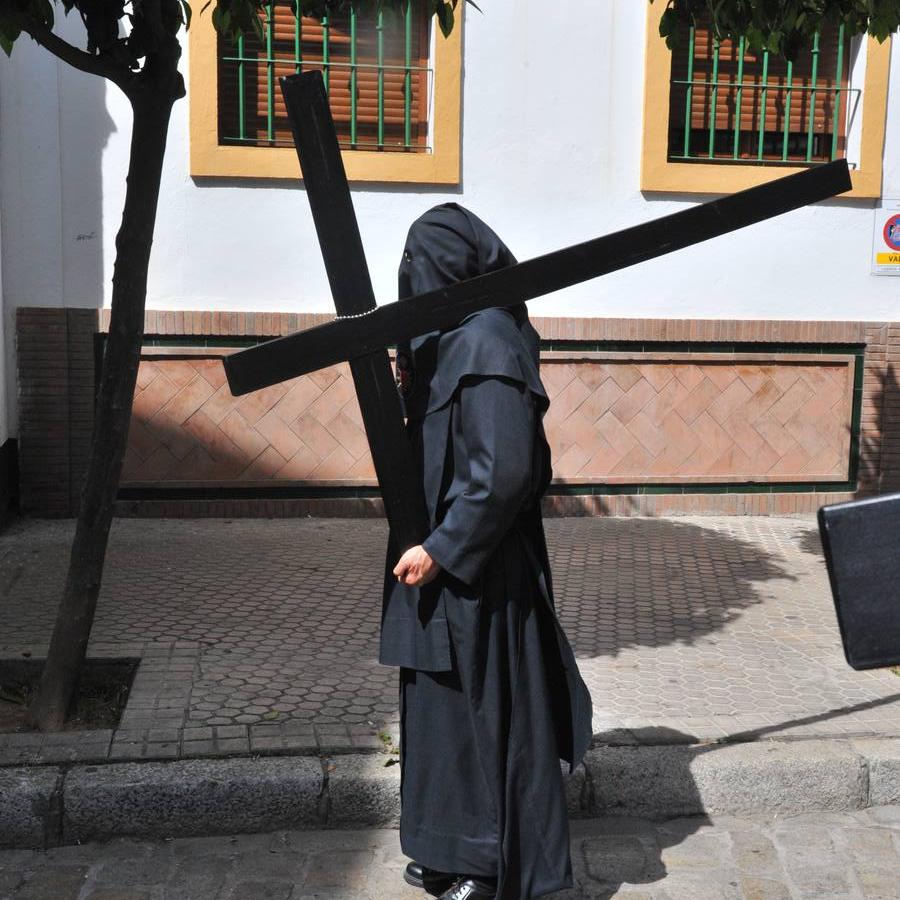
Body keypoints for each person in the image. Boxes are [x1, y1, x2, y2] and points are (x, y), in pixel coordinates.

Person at [379, 203, 593, 900]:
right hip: (444, 569)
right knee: (441, 716)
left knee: (483, 718)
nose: (411, 277)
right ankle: (447, 848)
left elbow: (505, 471)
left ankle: (489, 864)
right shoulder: (452, 338)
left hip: (481, 573)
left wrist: (442, 548)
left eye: (421, 263)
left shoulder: (490, 338)